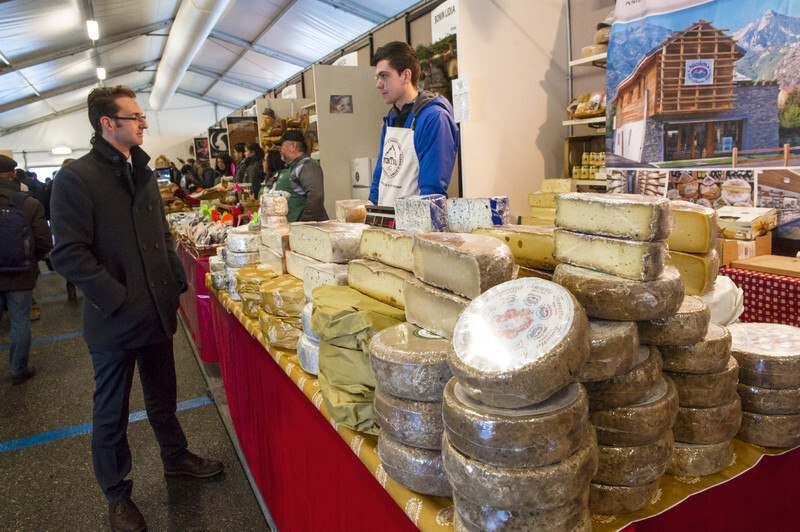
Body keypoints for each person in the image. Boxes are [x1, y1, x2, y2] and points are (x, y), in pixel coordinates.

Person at [49, 85, 223, 532]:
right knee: (112, 412)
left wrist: (174, 279)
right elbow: (68, 253)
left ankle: (175, 456)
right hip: (114, 319)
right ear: (108, 123)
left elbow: (160, 232)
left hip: (156, 308)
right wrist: (118, 298)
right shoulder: (77, 178)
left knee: (163, 393)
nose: (144, 124)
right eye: (135, 117)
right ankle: (118, 495)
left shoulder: (141, 170)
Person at [368, 41, 460, 207]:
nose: (378, 84)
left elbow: (432, 191)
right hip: (386, 218)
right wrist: (372, 212)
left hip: (414, 221)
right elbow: (380, 176)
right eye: (378, 77)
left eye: (384, 75)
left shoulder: (434, 118)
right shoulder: (391, 119)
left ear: (406, 76)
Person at [0, 154, 52, 385]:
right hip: (20, 274)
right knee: (20, 321)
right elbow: (44, 242)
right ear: (13, 174)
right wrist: (31, 260)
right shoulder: (28, 203)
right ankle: (18, 370)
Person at [274, 130, 328, 222]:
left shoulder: (307, 165)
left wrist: (305, 222)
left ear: (293, 146)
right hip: (294, 227)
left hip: (310, 228)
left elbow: (316, 195)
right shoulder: (294, 166)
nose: (280, 149)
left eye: (282, 145)